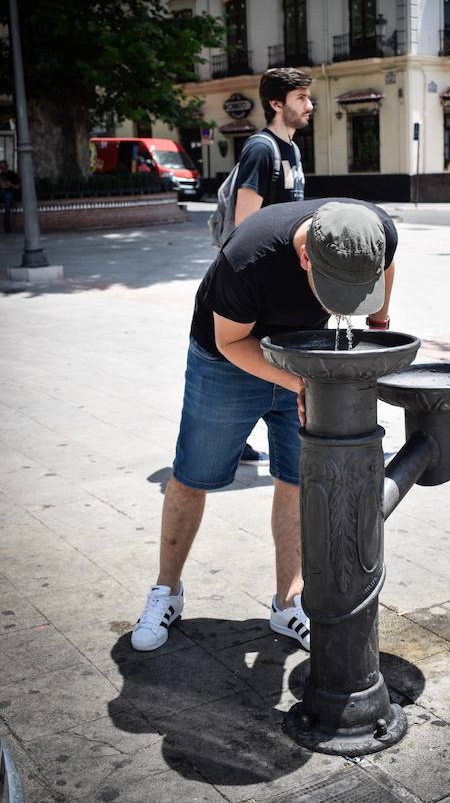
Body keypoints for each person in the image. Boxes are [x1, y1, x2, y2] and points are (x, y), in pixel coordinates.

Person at [131, 198, 397, 654]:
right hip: (228, 361)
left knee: (296, 479)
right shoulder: (247, 259)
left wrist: (378, 322)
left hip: (305, 354)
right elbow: (229, 340)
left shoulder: (374, 232)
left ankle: (288, 603)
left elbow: (387, 267)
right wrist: (299, 385)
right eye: (330, 286)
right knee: (194, 475)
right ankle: (166, 591)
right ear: (304, 256)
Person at [235, 66, 313, 463]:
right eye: (301, 98)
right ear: (276, 103)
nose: (309, 105)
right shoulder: (261, 149)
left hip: (284, 281)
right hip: (261, 286)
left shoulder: (294, 150)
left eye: (308, 97)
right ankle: (234, 433)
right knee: (252, 360)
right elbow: (243, 226)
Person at [0, 159, 19, 234]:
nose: (2, 170)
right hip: (1, 193)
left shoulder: (12, 175)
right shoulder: (0, 175)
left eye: (3, 168)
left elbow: (18, 187)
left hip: (10, 194)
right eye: (1, 168)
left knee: (7, 201)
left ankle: (7, 226)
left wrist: (10, 184)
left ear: (7, 167)